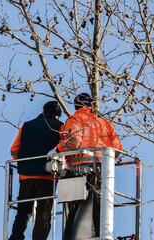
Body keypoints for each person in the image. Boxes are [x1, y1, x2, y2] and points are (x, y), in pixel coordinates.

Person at [48, 93, 123, 239]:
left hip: (81, 169)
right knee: (99, 205)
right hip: (103, 169)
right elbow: (117, 149)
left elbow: (73, 141)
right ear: (91, 105)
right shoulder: (104, 122)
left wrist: (56, 150)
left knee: (73, 210)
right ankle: (103, 235)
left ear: (76, 106)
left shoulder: (75, 119)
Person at [9, 101, 64, 240]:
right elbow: (65, 148)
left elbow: (14, 151)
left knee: (23, 212)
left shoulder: (26, 126)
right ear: (57, 115)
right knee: (43, 213)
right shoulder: (59, 127)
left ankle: (16, 237)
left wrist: (27, 159)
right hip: (47, 177)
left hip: (25, 176)